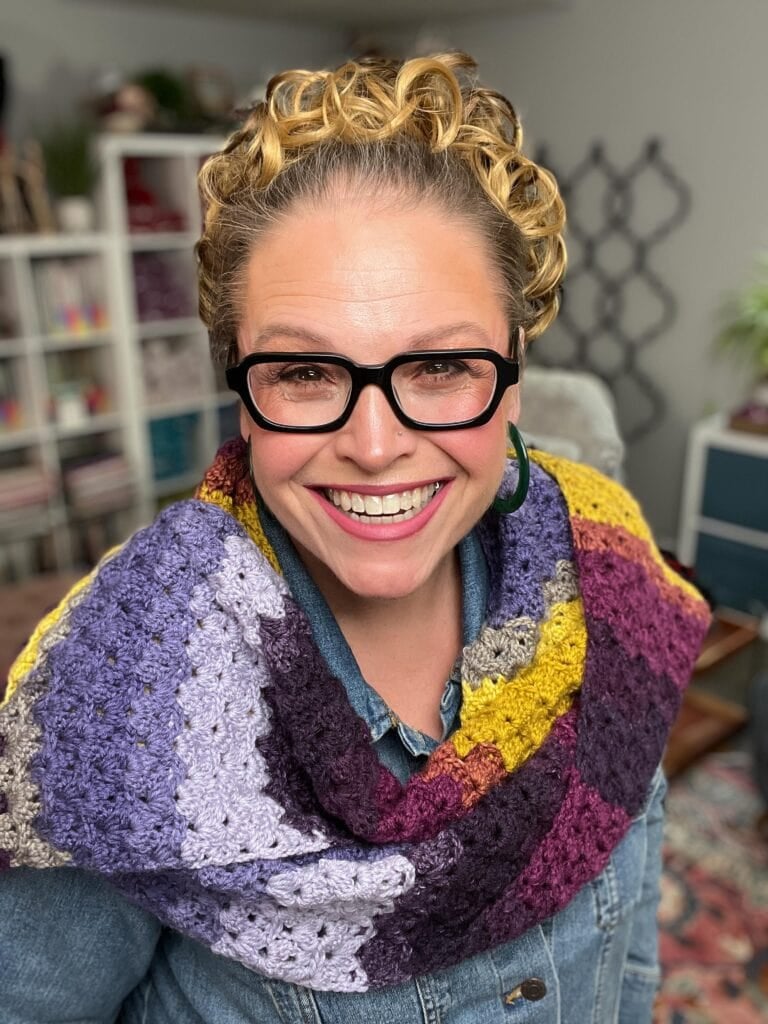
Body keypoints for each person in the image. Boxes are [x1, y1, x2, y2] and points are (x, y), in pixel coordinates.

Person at [0, 51, 710, 1023]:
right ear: (241, 391)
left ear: (512, 369)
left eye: (440, 366)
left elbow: (627, 966)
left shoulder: (610, 587)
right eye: (303, 374)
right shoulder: (117, 700)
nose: (374, 446)